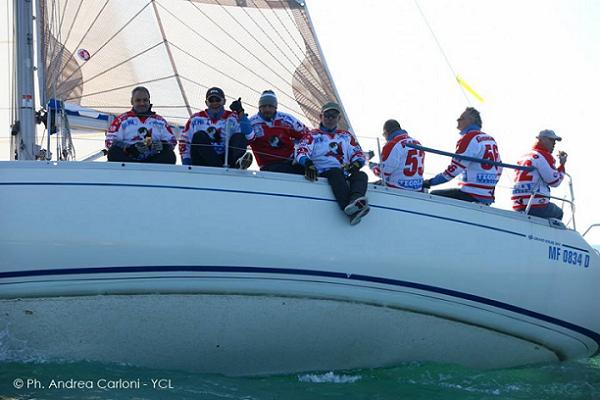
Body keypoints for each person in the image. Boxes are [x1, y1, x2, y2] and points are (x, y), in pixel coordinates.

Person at [296, 102, 369, 225]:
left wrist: (356, 164)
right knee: (335, 173)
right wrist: (307, 163)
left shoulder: (345, 136)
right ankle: (349, 209)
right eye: (327, 115)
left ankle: (355, 200)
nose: (330, 119)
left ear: (339, 118)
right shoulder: (313, 135)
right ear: (321, 116)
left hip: (343, 173)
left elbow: (358, 153)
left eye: (333, 116)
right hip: (322, 172)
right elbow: (301, 150)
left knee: (361, 175)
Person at [423, 107, 502, 204]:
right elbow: (499, 168)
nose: (458, 120)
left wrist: (430, 182)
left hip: (471, 195)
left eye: (461, 118)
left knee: (433, 195)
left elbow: (453, 170)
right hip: (487, 197)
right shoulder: (490, 139)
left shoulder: (468, 138)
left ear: (471, 121)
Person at [179, 87, 252, 168]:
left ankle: (238, 163)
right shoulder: (195, 119)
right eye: (211, 100)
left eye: (217, 100)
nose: (214, 103)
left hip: (227, 160)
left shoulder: (233, 117)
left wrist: (240, 112)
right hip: (203, 161)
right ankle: (220, 168)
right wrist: (186, 165)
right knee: (199, 136)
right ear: (206, 103)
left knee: (239, 137)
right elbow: (184, 141)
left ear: (224, 101)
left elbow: (249, 137)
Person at [105, 86, 177, 164]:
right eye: (138, 100)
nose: (142, 103)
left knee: (170, 155)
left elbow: (172, 141)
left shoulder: (160, 121)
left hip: (153, 161)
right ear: (132, 102)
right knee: (113, 152)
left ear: (149, 101)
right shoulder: (121, 120)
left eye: (145, 100)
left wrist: (162, 145)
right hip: (128, 161)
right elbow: (109, 142)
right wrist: (128, 148)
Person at [511, 129, 568, 219]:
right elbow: (555, 181)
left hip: (517, 204)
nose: (554, 144)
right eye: (551, 140)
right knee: (558, 213)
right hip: (535, 205)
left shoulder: (524, 156)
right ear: (542, 140)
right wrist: (562, 165)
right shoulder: (544, 156)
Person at [247, 90, 307, 174]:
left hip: (292, 161)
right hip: (268, 165)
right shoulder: (252, 123)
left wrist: (301, 153)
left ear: (275, 107)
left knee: (311, 167)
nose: (267, 109)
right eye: (264, 106)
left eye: (270, 106)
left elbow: (307, 136)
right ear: (259, 107)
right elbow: (244, 140)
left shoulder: (287, 119)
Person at [372, 119, 425, 190]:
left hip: (397, 188)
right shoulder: (418, 143)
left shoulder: (392, 145)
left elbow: (383, 173)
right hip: (417, 188)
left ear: (387, 132)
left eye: (384, 134)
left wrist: (373, 167)